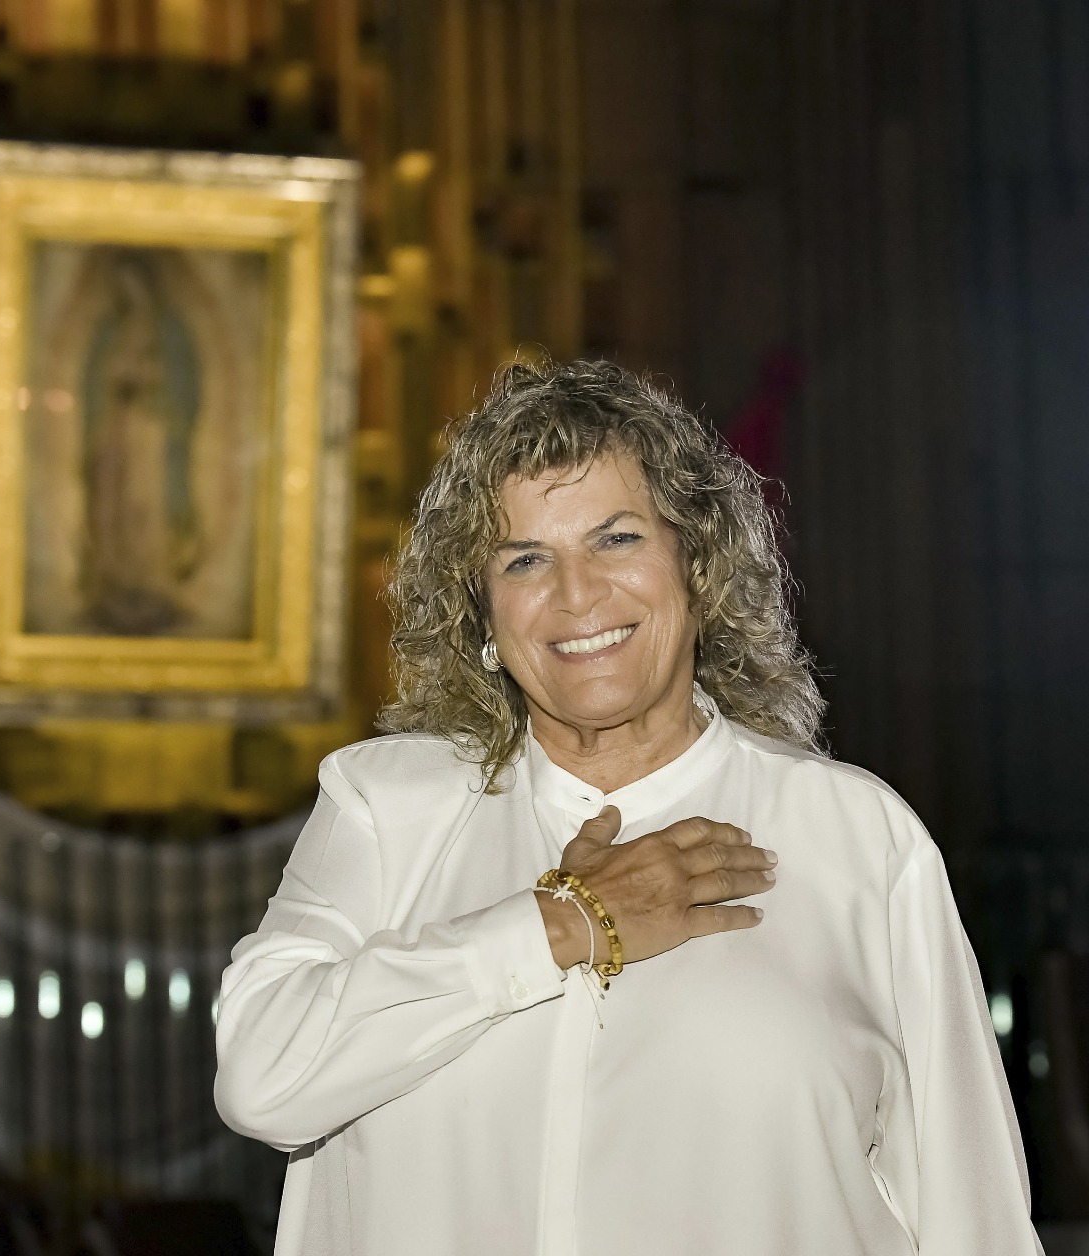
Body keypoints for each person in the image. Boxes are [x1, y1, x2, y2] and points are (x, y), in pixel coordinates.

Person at [214, 359, 1041, 1255]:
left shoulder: (858, 838)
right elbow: (263, 1079)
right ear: (482, 616)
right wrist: (566, 922)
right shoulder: (387, 809)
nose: (577, 594)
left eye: (616, 539)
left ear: (697, 564)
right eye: (525, 559)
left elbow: (976, 1223)